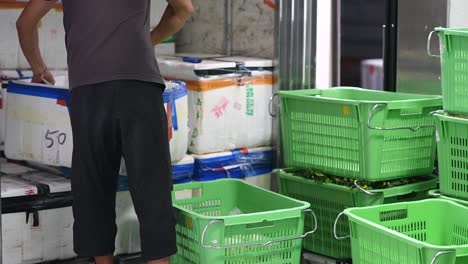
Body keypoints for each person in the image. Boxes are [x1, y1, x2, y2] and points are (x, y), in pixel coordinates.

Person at [16, 0, 193, 263]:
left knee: (93, 189)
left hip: (88, 91)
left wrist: (38, 67)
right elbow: (184, 9)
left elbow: (25, 23)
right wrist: (149, 40)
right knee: (152, 191)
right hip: (139, 85)